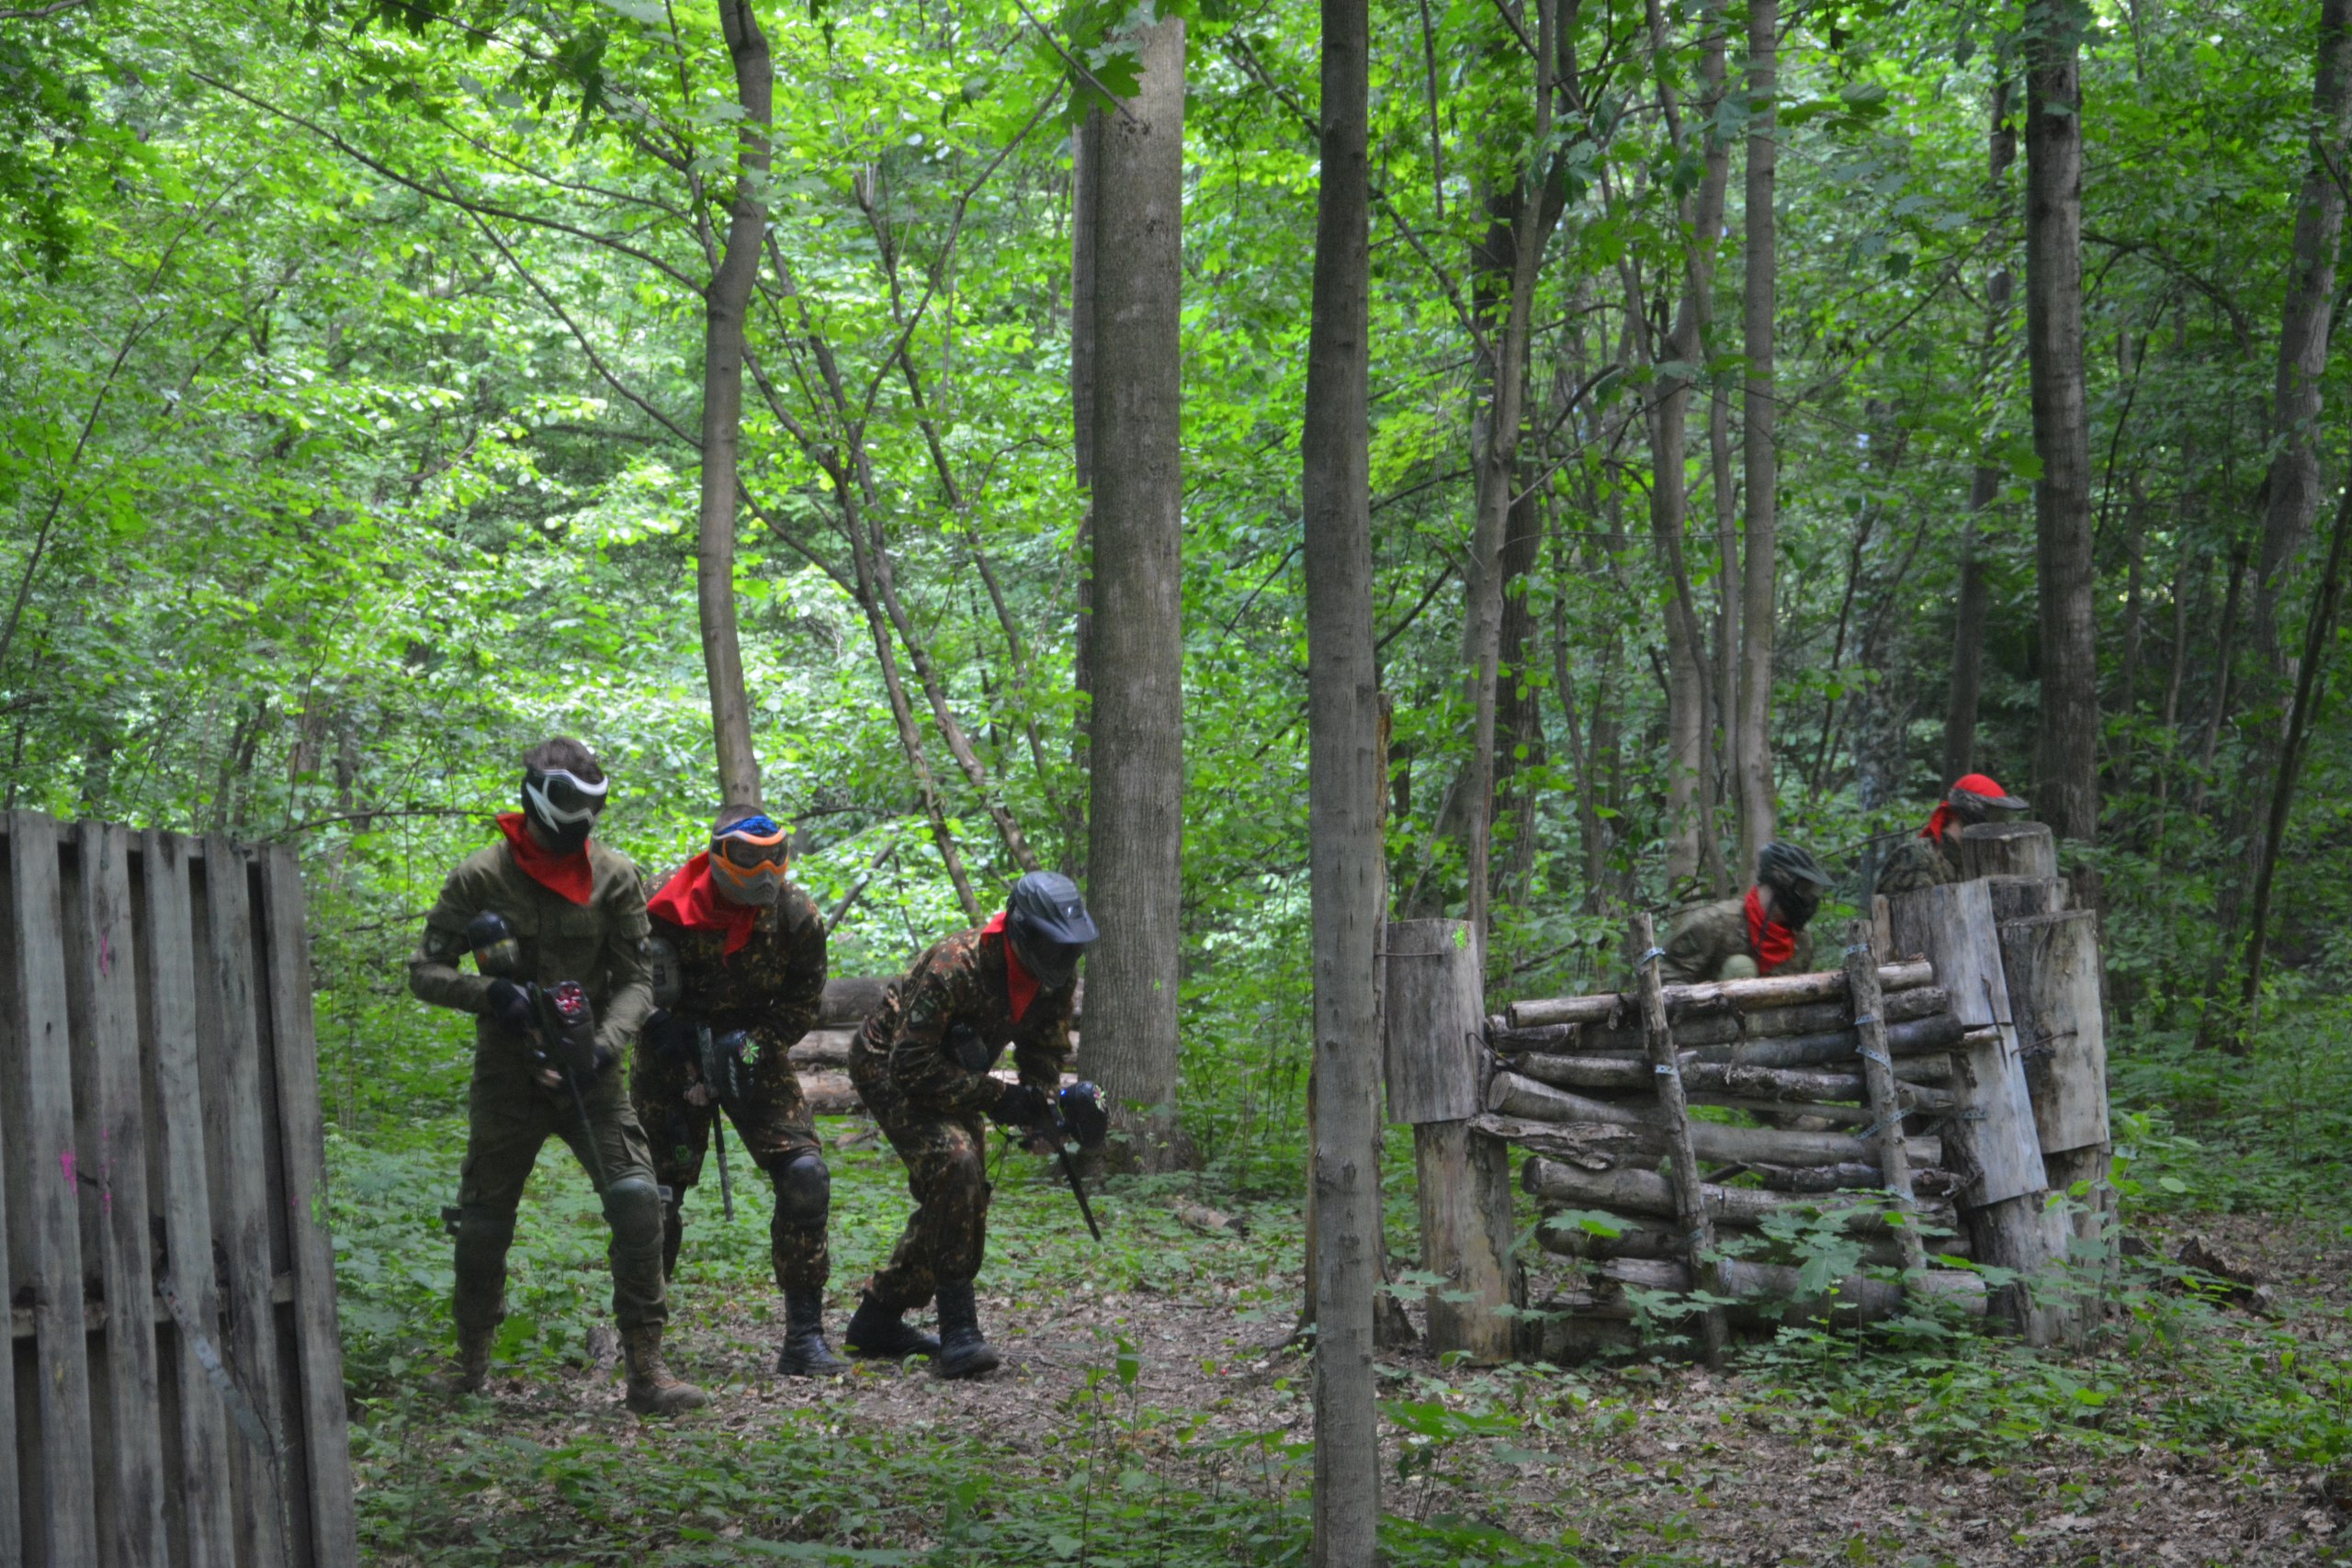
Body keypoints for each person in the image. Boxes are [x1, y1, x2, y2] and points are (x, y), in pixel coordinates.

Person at [406, 738, 706, 1416]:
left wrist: (602, 1047)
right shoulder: (480, 876)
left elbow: (637, 981)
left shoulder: (616, 876)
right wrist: (490, 995)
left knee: (638, 1200)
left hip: (591, 1076)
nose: (584, 822)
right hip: (508, 1075)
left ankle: (646, 1368)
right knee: (484, 1222)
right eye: (572, 804)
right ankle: (470, 1364)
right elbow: (426, 970)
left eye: (593, 807)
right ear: (538, 797)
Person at [842, 871, 1096, 1377]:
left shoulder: (1053, 973)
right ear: (1023, 934)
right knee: (957, 1168)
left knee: (962, 1190)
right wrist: (999, 1098)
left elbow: (1044, 1048)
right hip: (889, 1063)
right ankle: (960, 1332)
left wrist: (1041, 1109)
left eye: (1070, 948)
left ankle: (878, 1318)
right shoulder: (955, 965)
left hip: (952, 1069)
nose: (1064, 958)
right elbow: (909, 1065)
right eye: (1054, 945)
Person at [632, 806, 843, 1377]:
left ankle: (804, 1338)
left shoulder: (797, 915)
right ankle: (641, 1344)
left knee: (805, 1176)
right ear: (720, 856)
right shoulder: (657, 905)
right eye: (749, 858)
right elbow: (618, 978)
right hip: (669, 1050)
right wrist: (657, 1026)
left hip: (752, 1047)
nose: (765, 871)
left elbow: (803, 1002)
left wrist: (749, 1048)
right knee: (654, 1198)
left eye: (775, 855)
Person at [1658, 842, 1834, 984]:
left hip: (1775, 1024)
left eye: (1812, 892)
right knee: (1741, 966)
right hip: (1709, 1022)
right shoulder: (1713, 923)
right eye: (1803, 889)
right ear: (1779, 883)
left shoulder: (1801, 940)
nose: (1809, 899)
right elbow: (1666, 978)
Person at [1873, 773, 2030, 895]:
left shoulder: (1975, 863)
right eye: (1996, 815)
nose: (1999, 825)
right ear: (1972, 811)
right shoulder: (1917, 857)